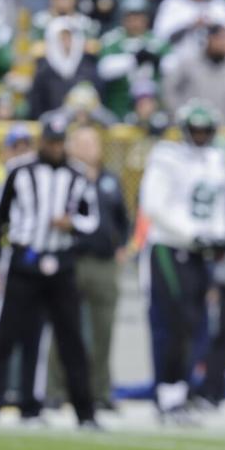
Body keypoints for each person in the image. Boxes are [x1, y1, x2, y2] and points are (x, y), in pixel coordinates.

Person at [0, 115, 98, 427]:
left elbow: (92, 219)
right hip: (23, 261)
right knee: (2, 337)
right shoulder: (19, 171)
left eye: (58, 141)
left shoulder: (78, 175)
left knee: (72, 340)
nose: (54, 147)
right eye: (49, 141)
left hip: (61, 262)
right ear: (42, 142)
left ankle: (85, 413)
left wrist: (72, 224)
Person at [138, 101, 225, 422]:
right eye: (197, 129)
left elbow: (217, 205)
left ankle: (180, 392)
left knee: (196, 326)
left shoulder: (216, 159)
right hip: (168, 248)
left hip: (198, 254)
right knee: (171, 324)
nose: (201, 135)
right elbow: (153, 205)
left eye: (206, 130)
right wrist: (193, 233)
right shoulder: (167, 156)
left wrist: (219, 235)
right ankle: (166, 395)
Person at [47, 125, 129, 413]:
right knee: (64, 328)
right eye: (82, 143)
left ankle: (100, 392)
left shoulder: (109, 179)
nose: (88, 148)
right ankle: (56, 391)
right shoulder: (64, 176)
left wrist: (123, 246)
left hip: (105, 263)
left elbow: (123, 218)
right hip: (72, 260)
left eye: (93, 142)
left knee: (103, 332)